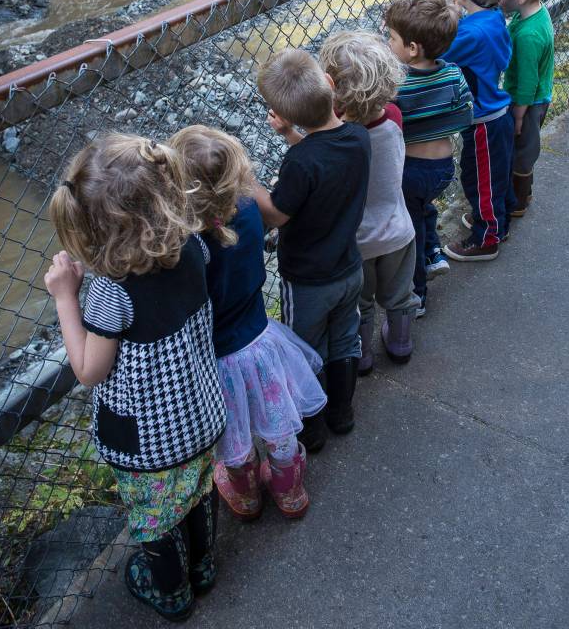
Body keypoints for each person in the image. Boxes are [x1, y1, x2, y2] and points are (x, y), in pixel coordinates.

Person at [44, 134, 226, 622]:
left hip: (148, 439)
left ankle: (171, 592)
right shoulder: (193, 249)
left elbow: (88, 370)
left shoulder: (111, 292)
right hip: (201, 413)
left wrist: (66, 296)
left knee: (155, 515)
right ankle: (203, 567)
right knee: (197, 489)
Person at [170, 125, 326, 522]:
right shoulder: (251, 211)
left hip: (218, 358)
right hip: (261, 341)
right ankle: (289, 492)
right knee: (278, 424)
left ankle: (246, 495)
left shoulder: (189, 249)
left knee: (234, 437)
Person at [253, 48, 371, 452]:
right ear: (332, 85)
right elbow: (327, 154)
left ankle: (313, 428)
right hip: (349, 268)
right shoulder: (358, 137)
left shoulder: (300, 162)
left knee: (305, 349)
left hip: (307, 281)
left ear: (285, 113)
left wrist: (248, 181)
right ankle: (343, 413)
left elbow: (277, 216)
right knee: (344, 340)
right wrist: (291, 135)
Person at [318, 30, 419, 373]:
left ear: (331, 88)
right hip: (398, 231)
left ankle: (361, 356)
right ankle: (401, 343)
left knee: (360, 303)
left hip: (358, 241)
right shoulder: (393, 116)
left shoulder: (335, 139)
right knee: (400, 294)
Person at [385, 0, 474, 311]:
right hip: (443, 167)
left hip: (411, 170)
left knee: (411, 230)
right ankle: (435, 254)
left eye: (392, 37)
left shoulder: (398, 85)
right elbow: (466, 114)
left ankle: (417, 296)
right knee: (424, 207)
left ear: (412, 48)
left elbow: (391, 125)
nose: (388, 43)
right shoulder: (452, 74)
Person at [439, 0, 514, 261]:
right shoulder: (496, 18)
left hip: (482, 120)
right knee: (496, 177)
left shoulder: (469, 34)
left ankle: (487, 237)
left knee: (479, 179)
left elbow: (439, 56)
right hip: (498, 115)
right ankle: (499, 219)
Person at [500, 0, 555, 216]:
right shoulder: (535, 12)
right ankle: (526, 191)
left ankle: (517, 203)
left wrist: (519, 115)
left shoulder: (529, 35)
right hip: (534, 96)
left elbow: (528, 81)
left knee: (523, 150)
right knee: (525, 146)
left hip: (529, 102)